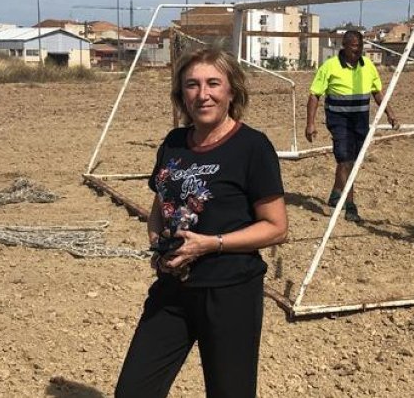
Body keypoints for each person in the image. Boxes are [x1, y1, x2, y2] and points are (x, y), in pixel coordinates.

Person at [115, 48, 288, 398]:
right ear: (181, 94)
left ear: (231, 92)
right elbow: (160, 202)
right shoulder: (174, 142)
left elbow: (276, 227)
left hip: (229, 291)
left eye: (213, 83)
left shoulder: (252, 147)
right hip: (172, 289)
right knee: (134, 390)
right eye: (192, 85)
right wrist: (157, 242)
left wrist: (210, 243)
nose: (202, 93)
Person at [304, 29, 399, 223]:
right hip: (338, 120)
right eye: (354, 46)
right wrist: (310, 123)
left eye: (360, 46)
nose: (357, 50)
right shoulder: (330, 67)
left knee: (351, 160)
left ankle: (336, 192)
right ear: (345, 46)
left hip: (360, 120)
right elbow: (314, 95)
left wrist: (390, 114)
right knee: (346, 159)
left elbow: (377, 93)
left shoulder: (368, 67)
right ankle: (350, 205)